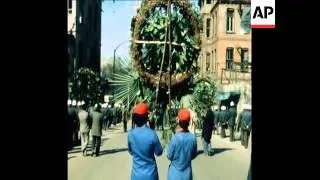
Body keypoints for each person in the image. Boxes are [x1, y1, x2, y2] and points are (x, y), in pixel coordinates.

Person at [128, 103, 163, 180]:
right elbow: (159, 152)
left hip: (136, 175)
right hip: (150, 175)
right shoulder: (152, 134)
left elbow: (131, 151)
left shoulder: (131, 134)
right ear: (146, 117)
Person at [167, 108, 197, 180]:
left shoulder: (175, 138)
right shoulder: (193, 138)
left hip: (174, 175)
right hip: (187, 175)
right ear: (189, 122)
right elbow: (193, 155)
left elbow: (169, 156)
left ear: (179, 121)